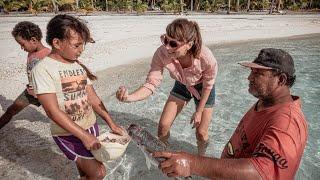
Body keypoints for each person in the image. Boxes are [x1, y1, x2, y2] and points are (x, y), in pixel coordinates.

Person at [153, 48, 308, 179]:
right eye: (251, 71)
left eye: (258, 73)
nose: (249, 77)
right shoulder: (266, 102)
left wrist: (192, 163)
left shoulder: (287, 123)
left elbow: (262, 173)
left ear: (281, 79)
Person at [31, 14, 123, 179]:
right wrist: (84, 136)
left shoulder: (77, 66)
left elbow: (93, 99)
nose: (81, 50)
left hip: (91, 126)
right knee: (98, 172)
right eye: (77, 45)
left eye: (83, 45)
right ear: (57, 43)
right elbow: (52, 111)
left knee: (85, 170)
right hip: (67, 133)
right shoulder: (43, 69)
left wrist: (111, 123)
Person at [116, 18, 218, 156]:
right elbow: (151, 84)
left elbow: (208, 85)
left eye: (173, 43)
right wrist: (129, 97)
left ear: (189, 44)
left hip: (203, 88)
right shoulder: (162, 53)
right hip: (182, 85)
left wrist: (199, 111)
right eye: (165, 40)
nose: (167, 47)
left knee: (201, 132)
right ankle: (164, 157)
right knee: (163, 127)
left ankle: (201, 157)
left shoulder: (206, 58)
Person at [0, 21, 51, 129]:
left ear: (33, 40)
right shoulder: (31, 52)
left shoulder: (48, 55)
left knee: (58, 116)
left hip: (47, 93)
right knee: (11, 109)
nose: (22, 48)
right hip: (31, 91)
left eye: (22, 44)